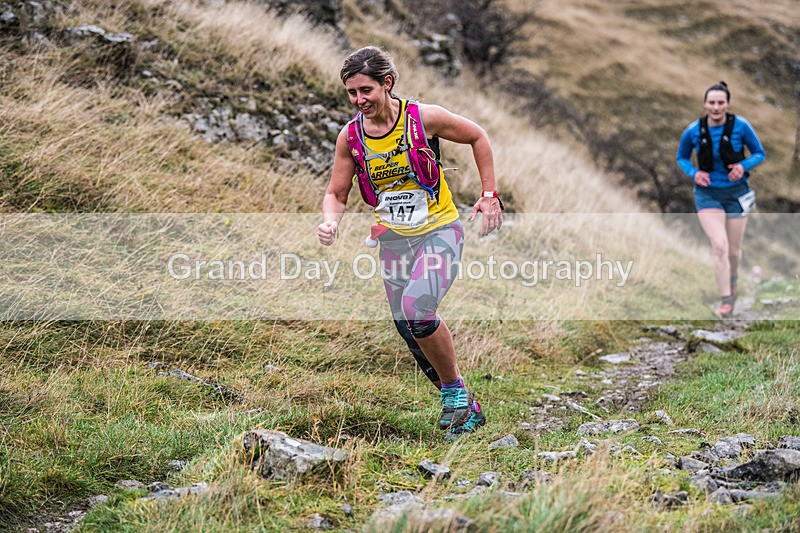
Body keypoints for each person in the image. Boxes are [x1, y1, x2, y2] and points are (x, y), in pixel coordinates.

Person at [317, 46, 503, 439]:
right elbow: (336, 193)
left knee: (417, 308)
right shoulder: (350, 137)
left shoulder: (423, 118)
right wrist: (330, 222)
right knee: (408, 327)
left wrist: (489, 195)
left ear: (387, 83)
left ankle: (453, 393)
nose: (359, 100)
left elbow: (478, 137)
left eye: (366, 90)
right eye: (351, 93)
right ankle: (466, 408)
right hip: (393, 242)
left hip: (439, 230)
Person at [676, 81, 766, 317]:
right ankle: (726, 299)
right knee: (719, 246)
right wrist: (694, 173)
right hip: (707, 195)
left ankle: (733, 280)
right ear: (705, 104)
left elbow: (759, 153)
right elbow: (682, 157)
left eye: (720, 102)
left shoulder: (742, 126)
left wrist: (742, 166)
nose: (716, 107)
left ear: (727, 104)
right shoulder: (694, 130)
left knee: (734, 252)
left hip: (737, 194)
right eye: (711, 102)